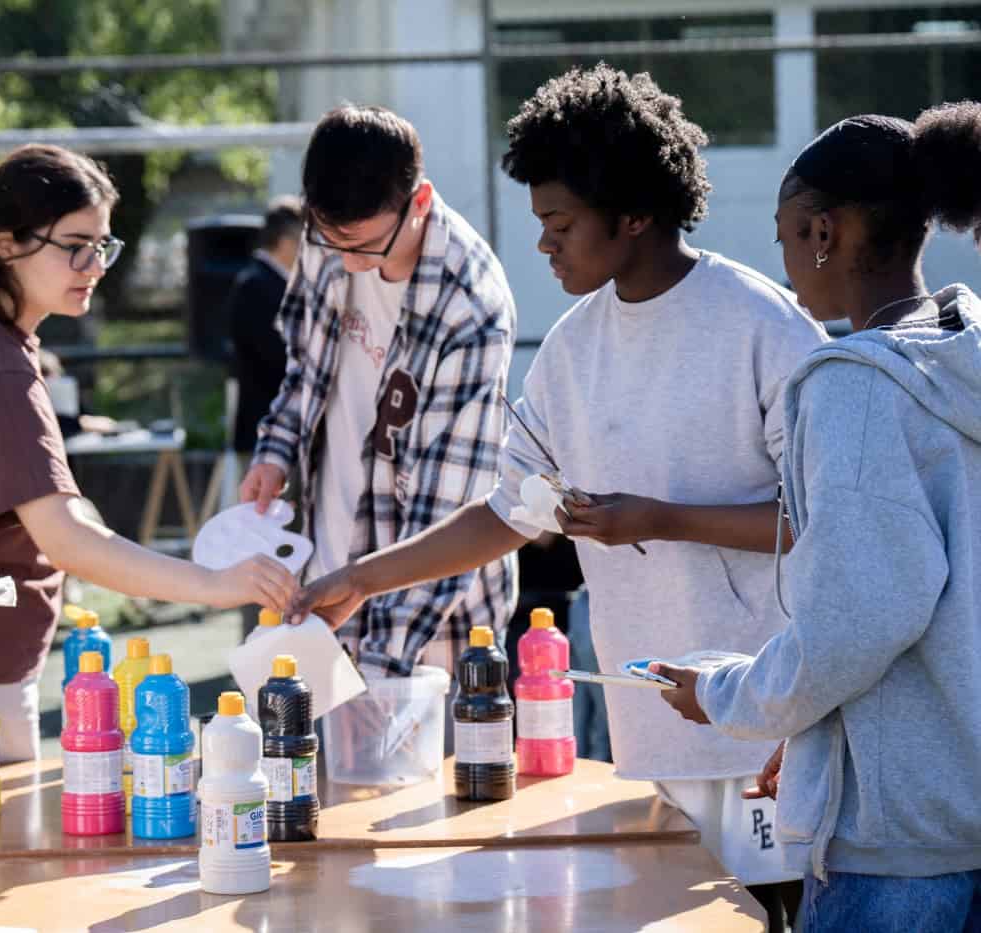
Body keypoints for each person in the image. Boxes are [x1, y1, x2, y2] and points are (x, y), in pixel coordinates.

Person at [292, 66, 826, 926]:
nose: (545, 245)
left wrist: (658, 519)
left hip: (767, 726)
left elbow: (825, 523)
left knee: (771, 916)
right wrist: (365, 575)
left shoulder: (763, 326)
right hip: (648, 726)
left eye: (561, 224)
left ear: (636, 214)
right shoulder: (574, 347)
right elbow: (509, 512)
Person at [657, 104, 981, 931]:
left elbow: (856, 619)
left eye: (786, 235)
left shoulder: (854, 385)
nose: (788, 260)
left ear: (824, 231)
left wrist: (731, 696)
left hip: (902, 859)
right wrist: (811, 733)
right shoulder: (963, 357)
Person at [0, 144, 296, 774]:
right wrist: (213, 585)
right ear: (6, 244)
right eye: (74, 244)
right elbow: (68, 541)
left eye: (102, 245)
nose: (93, 264)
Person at [240, 104, 517, 680]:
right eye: (328, 240)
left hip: (432, 631)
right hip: (327, 578)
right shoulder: (333, 232)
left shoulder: (470, 309)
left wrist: (382, 666)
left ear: (419, 202)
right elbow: (305, 366)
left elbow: (448, 517)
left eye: (363, 247)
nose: (345, 262)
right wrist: (276, 448)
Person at [227, 194, 302, 455]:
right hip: (265, 431)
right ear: (286, 242)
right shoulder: (255, 285)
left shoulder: (273, 283)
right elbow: (276, 357)